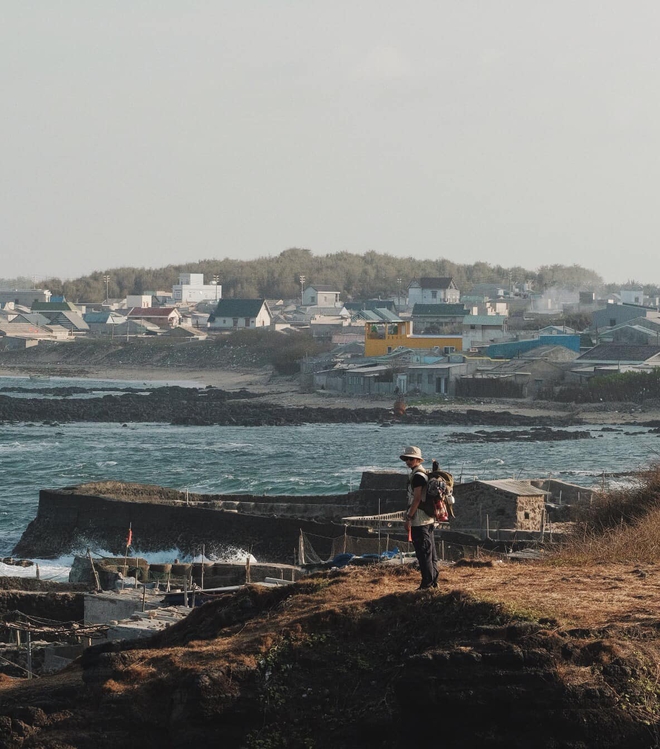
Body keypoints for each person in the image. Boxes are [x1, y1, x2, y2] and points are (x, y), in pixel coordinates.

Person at [400, 446, 438, 589]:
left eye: (411, 459)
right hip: (428, 518)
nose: (408, 461)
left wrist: (409, 518)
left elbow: (416, 499)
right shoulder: (423, 473)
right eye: (406, 459)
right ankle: (433, 582)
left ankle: (426, 584)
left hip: (419, 520)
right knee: (430, 553)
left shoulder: (417, 476)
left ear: (417, 460)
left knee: (423, 554)